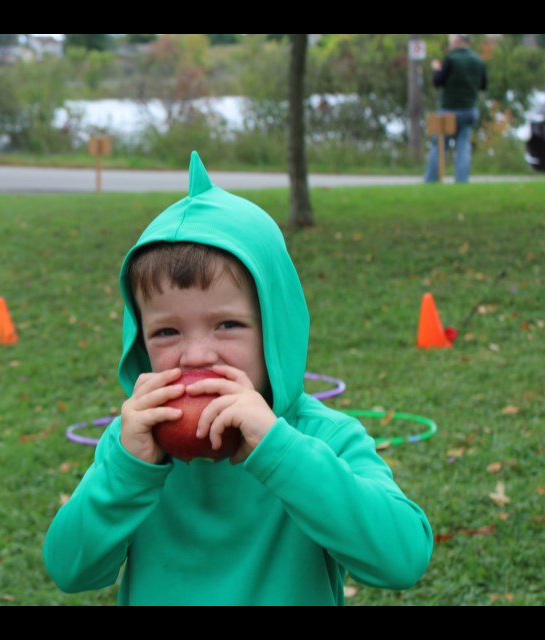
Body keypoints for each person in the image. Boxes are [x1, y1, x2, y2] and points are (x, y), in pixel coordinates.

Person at [43, 152, 433, 605]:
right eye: (167, 332)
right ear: (140, 342)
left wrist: (279, 451)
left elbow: (403, 558)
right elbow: (71, 569)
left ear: (274, 328)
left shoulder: (323, 438)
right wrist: (129, 470)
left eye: (227, 324)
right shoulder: (135, 445)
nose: (196, 355)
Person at [424, 34, 488, 184]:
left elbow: (437, 81)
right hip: (469, 109)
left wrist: (436, 69)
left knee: (439, 145)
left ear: (458, 41)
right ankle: (462, 181)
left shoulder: (451, 59)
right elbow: (483, 85)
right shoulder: (478, 61)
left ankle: (431, 180)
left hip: (449, 109)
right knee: (463, 147)